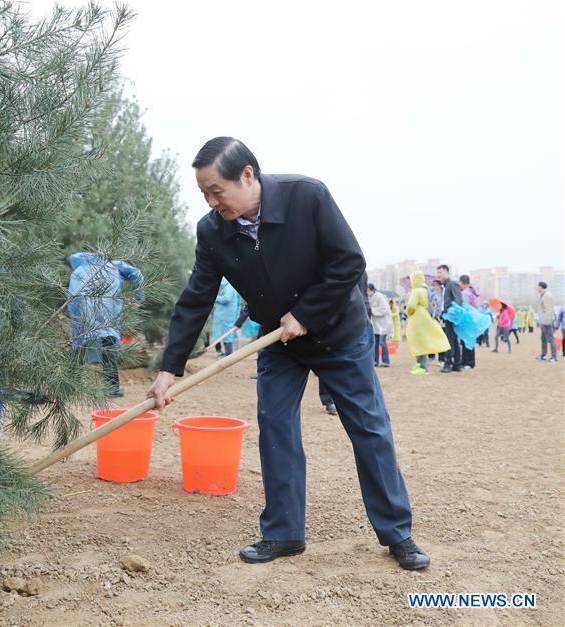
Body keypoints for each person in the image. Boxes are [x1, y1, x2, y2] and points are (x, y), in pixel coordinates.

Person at [146, 137, 428, 571]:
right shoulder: (213, 231)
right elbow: (196, 297)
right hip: (279, 342)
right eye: (203, 192)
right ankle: (283, 533)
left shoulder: (306, 196)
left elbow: (349, 262)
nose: (210, 201)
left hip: (338, 333)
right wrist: (169, 369)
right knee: (275, 427)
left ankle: (398, 534)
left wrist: (306, 313)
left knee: (369, 429)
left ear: (247, 175)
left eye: (216, 190)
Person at [68, 252, 144, 397]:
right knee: (108, 342)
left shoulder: (78, 270)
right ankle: (111, 388)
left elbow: (72, 300)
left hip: (82, 311)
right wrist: (138, 297)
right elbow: (137, 274)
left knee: (79, 344)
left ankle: (70, 387)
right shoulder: (113, 265)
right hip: (108, 310)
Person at [404, 271, 450, 375]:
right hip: (425, 317)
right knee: (423, 342)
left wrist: (407, 312)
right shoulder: (426, 290)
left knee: (418, 343)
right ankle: (421, 364)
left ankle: (422, 366)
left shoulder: (416, 291)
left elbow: (411, 306)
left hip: (417, 319)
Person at [436, 264, 463, 373]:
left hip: (452, 317)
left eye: (440, 272)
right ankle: (457, 364)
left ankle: (448, 364)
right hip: (447, 316)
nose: (439, 275)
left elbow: (458, 300)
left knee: (449, 341)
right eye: (437, 273)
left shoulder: (452, 284)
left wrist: (451, 313)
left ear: (447, 272)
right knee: (453, 341)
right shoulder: (446, 286)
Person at [213, 277, 242, 356]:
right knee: (223, 333)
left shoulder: (229, 287)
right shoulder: (228, 286)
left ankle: (228, 353)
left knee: (227, 333)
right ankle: (225, 352)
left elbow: (226, 299)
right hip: (224, 314)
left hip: (226, 315)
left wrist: (215, 298)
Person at [458, 275, 481, 369]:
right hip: (474, 318)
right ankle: (469, 362)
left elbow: (465, 308)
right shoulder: (473, 291)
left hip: (467, 319)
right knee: (469, 341)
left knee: (465, 341)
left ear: (462, 282)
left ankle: (467, 363)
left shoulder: (465, 293)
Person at [367, 284, 393, 367]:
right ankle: (375, 361)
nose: (367, 292)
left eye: (368, 290)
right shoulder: (370, 297)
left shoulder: (380, 297)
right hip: (376, 324)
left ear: (372, 290)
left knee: (382, 342)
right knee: (375, 343)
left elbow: (383, 310)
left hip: (383, 324)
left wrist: (372, 311)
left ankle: (386, 361)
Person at [536, 281, 558, 363]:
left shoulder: (547, 296)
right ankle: (543, 356)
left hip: (547, 321)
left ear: (541, 287)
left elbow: (549, 309)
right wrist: (540, 320)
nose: (537, 288)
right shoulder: (543, 295)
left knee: (550, 339)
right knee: (543, 339)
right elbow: (542, 309)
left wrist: (547, 321)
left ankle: (554, 357)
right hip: (543, 321)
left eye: (538, 287)